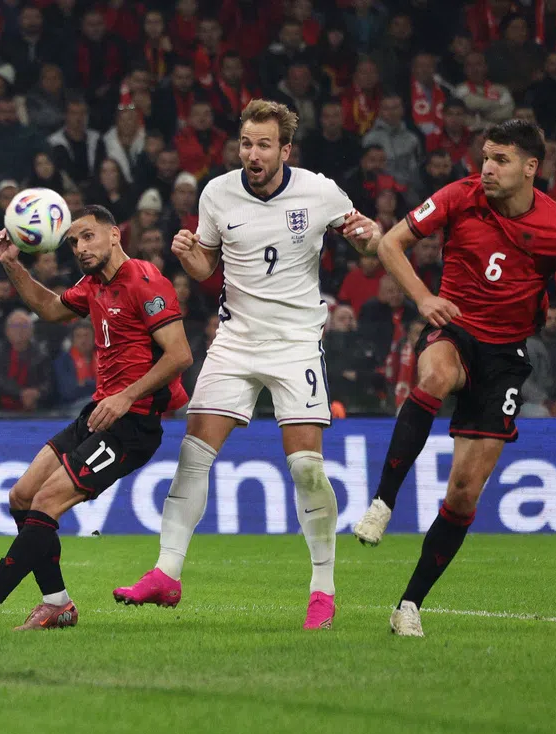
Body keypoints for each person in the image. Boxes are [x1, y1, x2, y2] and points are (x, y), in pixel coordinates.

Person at [113, 99, 382, 630]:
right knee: (193, 453)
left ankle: (322, 591)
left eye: (263, 145)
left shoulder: (319, 191)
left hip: (295, 343)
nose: (252, 154)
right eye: (245, 143)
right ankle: (167, 573)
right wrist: (189, 253)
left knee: (306, 468)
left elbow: (369, 243)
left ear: (285, 150)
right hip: (235, 341)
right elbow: (206, 267)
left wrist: (368, 237)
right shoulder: (217, 193)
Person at [350, 119, 556, 637]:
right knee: (434, 376)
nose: (487, 168)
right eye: (485, 157)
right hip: (454, 328)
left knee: (463, 493)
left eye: (501, 160)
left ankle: (408, 605)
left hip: (506, 358)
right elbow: (390, 244)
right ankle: (383, 502)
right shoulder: (460, 196)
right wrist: (424, 298)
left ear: (531, 167)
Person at [0, 205, 192, 632]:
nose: (79, 247)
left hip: (133, 423)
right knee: (21, 496)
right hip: (99, 414)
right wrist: (12, 264)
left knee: (46, 502)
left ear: (115, 234)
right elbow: (51, 308)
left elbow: (180, 355)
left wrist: (126, 397)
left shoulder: (145, 280)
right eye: (73, 241)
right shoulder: (93, 285)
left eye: (88, 236)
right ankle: (57, 603)